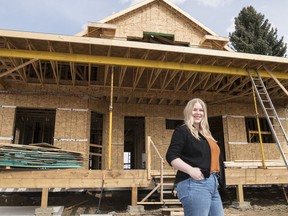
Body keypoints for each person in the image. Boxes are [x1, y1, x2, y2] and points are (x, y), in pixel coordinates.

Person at [166, 98, 225, 216]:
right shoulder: (183, 131)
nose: (198, 113)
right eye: (195, 110)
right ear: (188, 111)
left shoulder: (206, 134)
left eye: (201, 110)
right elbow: (171, 156)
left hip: (212, 183)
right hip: (194, 183)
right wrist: (190, 170)